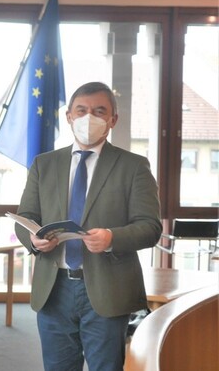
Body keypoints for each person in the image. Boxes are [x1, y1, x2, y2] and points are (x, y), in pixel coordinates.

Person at [15, 81, 161, 371]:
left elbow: (150, 227)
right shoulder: (44, 164)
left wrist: (112, 238)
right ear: (68, 116)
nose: (88, 118)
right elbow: (26, 217)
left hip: (107, 288)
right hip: (54, 289)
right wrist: (34, 239)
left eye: (99, 111)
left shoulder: (133, 166)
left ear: (112, 120)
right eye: (81, 110)